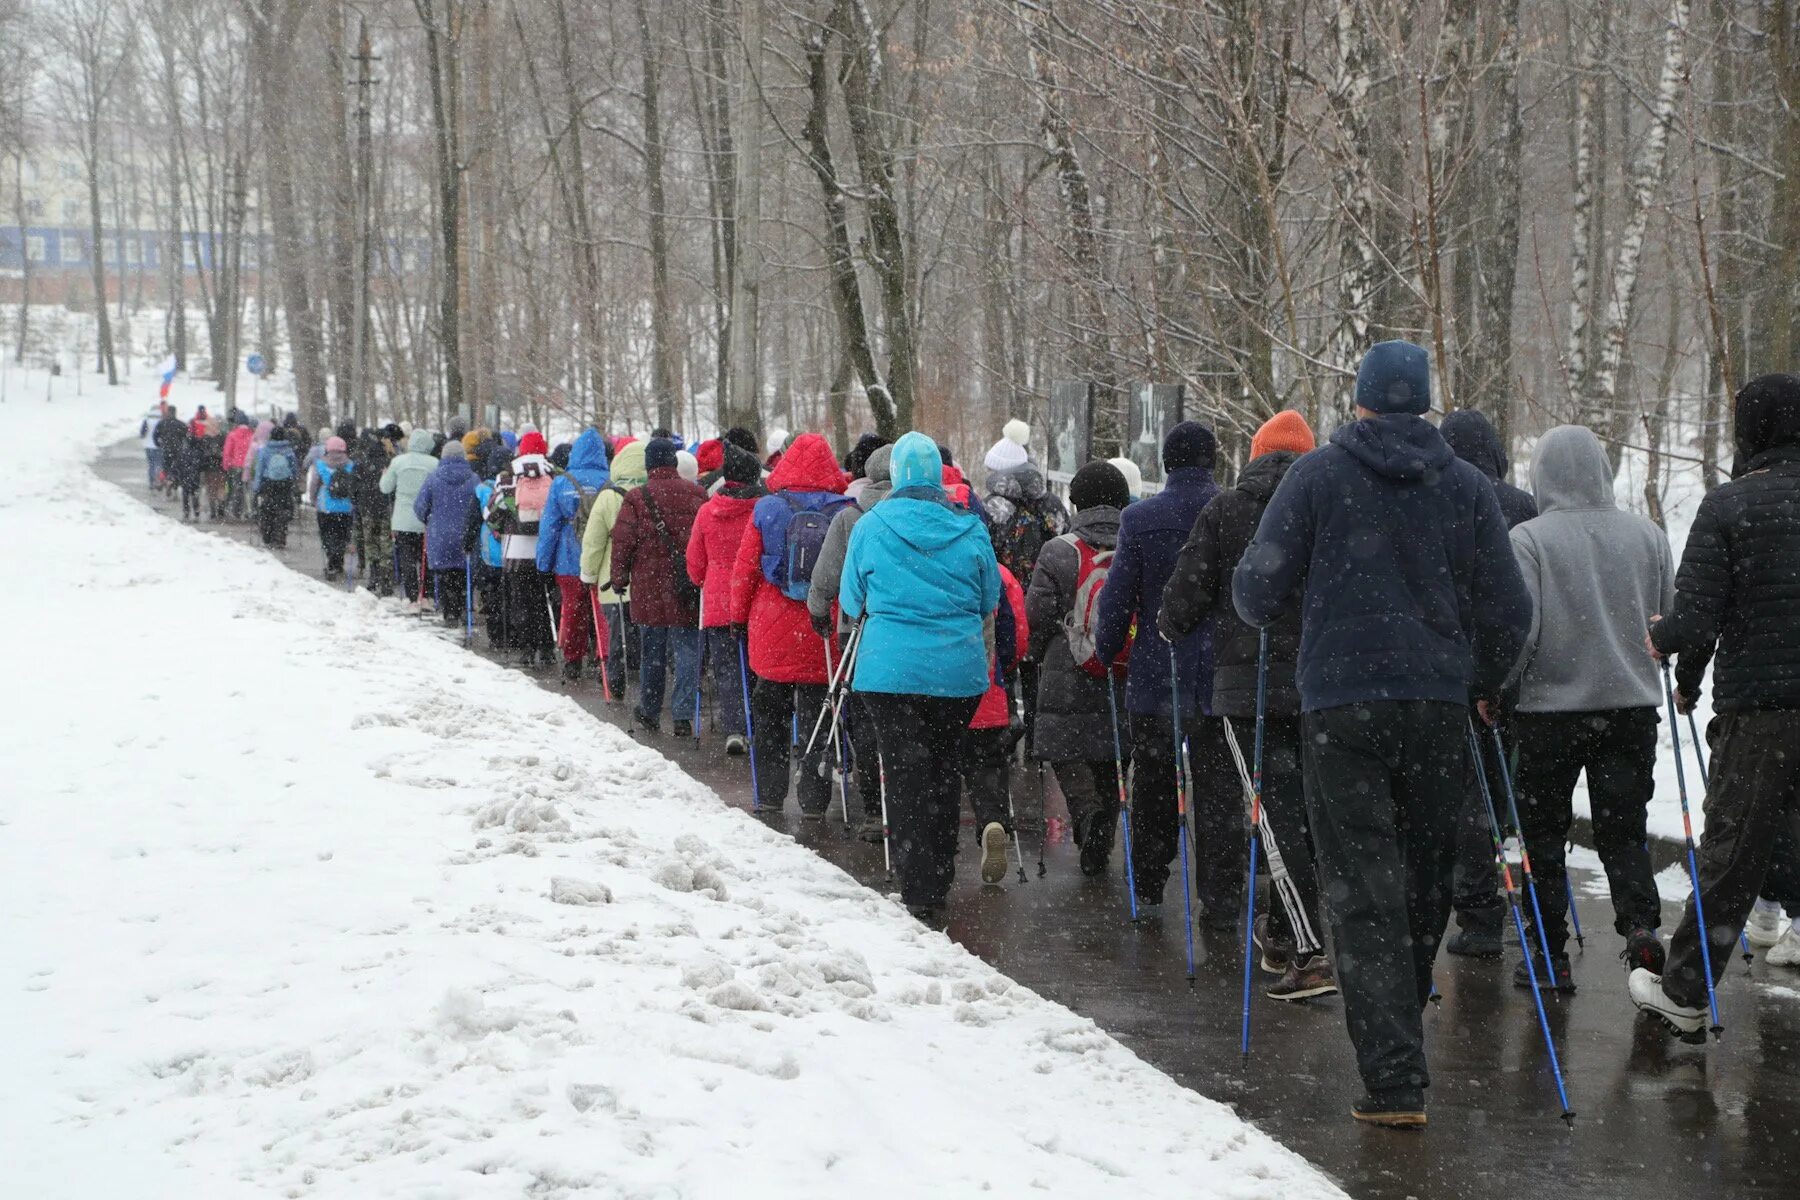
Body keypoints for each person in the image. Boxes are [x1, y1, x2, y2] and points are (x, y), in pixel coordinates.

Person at [1232, 340, 1531, 1128]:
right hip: (1436, 707)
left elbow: (1259, 588)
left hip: (1341, 704)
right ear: (1425, 402)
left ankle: (1394, 1077)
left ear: (1360, 399)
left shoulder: (1317, 478)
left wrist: (1268, 596)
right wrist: (1482, 679)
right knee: (1424, 875)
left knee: (1361, 886)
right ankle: (1400, 1017)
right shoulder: (1467, 489)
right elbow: (1511, 610)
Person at [1632, 373, 1800, 1036]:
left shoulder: (1731, 507)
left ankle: (1685, 992)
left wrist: (1669, 647)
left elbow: (1698, 618)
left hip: (1762, 712)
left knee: (1734, 854)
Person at [1159, 409, 1335, 1002]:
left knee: (1272, 810)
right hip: (1319, 682)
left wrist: (1169, 626)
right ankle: (1286, 931)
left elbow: (1187, 590)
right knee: (1303, 809)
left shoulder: (1227, 510)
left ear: (1255, 454)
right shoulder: (1327, 508)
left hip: (1246, 684)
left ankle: (1307, 951)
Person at [1500, 424, 1673, 991]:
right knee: (1625, 830)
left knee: (1542, 836)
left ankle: (1549, 955)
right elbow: (1663, 621)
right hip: (1630, 706)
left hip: (1550, 711)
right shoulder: (1647, 536)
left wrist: (1497, 689)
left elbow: (1520, 630)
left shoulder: (1529, 538)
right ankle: (1641, 927)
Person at [840, 432, 1001, 927]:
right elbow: (988, 598)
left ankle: (917, 888)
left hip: (888, 672)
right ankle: (939, 876)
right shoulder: (970, 530)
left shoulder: (870, 527)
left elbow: (850, 601)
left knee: (906, 775)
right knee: (944, 768)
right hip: (957, 673)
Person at [1094, 421, 1240, 925]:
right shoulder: (1235, 513)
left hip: (1158, 672)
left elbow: (1117, 598)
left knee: (1154, 780)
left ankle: (1150, 881)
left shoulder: (1140, 519)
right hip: (1220, 677)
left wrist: (1107, 647)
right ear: (1213, 461)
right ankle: (1221, 897)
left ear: (1167, 464)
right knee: (1220, 789)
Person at [1440, 407, 1540, 957]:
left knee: (1462, 791)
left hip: (1453, 667)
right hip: (1512, 665)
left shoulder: (1440, 496)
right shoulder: (1522, 505)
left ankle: (1477, 911)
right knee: (1500, 785)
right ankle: (1514, 893)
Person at [728, 432, 850, 814]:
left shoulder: (767, 508)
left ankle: (769, 794)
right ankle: (815, 800)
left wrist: (737, 616)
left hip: (771, 628)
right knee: (818, 720)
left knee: (770, 716)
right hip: (823, 628)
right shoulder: (844, 512)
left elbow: (745, 570)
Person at [1026, 460, 1130, 876]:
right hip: (1120, 667)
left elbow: (1037, 613)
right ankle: (1100, 837)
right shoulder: (1132, 545)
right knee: (1111, 755)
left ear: (1076, 501)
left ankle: (1087, 813)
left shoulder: (1058, 550)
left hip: (1066, 668)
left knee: (1066, 750)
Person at [806, 443, 894, 839]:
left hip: (858, 628)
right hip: (914, 631)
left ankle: (876, 809)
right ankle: (914, 807)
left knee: (865, 717)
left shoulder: (851, 518)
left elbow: (826, 575)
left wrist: (818, 609)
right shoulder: (936, 514)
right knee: (910, 722)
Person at [982, 418, 1069, 771]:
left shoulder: (991, 509)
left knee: (1003, 671)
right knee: (1037, 676)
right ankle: (1037, 743)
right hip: (1045, 601)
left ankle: (1003, 740)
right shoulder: (1050, 505)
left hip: (1004, 600)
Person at [612, 438, 708, 734]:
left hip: (649, 587)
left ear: (649, 464)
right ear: (674, 462)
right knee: (687, 651)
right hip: (686, 585)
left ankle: (650, 710)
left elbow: (623, 542)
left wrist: (619, 578)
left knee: (651, 652)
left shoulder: (637, 498)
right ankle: (682, 715)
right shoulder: (697, 494)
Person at [688, 441, 764, 754]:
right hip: (756, 600)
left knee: (727, 670)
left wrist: (702, 580)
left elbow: (694, 563)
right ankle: (759, 726)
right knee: (757, 668)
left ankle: (735, 729)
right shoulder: (762, 509)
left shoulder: (707, 512)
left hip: (719, 603)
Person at [963, 564, 1029, 885]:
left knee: (935, 771)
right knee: (987, 763)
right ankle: (992, 821)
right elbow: (1015, 631)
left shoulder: (917, 557)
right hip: (985, 687)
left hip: (932, 686)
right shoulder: (997, 572)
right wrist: (1003, 666)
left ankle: (934, 845)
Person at [537, 429, 611, 682]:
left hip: (568, 558)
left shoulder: (562, 482)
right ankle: (605, 660)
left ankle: (572, 660)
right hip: (602, 559)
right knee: (602, 612)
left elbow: (550, 526)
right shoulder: (610, 480)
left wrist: (543, 563)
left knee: (572, 610)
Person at [579, 438, 648, 695]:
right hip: (650, 581)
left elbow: (594, 540)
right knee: (647, 638)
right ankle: (647, 685)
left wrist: (588, 574)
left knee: (618, 636)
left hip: (614, 581)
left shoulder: (608, 497)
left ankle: (616, 681)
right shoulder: (653, 492)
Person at [487, 431, 557, 666]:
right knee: (544, 599)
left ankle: (527, 649)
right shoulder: (554, 474)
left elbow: (492, 514)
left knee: (521, 600)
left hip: (516, 551)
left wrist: (501, 527)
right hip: (546, 550)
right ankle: (547, 647)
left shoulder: (508, 478)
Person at [415, 439, 479, 625]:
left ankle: (449, 611)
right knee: (462, 574)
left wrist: (429, 519)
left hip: (440, 535)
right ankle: (461, 607)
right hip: (466, 536)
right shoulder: (474, 479)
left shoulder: (433, 478)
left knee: (444, 575)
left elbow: (420, 507)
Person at [380, 429, 439, 606]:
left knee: (406, 559)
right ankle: (426, 596)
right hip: (426, 519)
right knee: (426, 559)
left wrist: (384, 475)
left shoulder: (398, 462)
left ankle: (412, 598)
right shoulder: (434, 463)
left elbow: (385, 488)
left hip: (403, 519)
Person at [468, 441, 511, 643]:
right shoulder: (514, 487)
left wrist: (467, 543)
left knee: (491, 592)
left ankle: (496, 635)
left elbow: (472, 521)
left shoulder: (482, 489)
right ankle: (511, 631)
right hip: (511, 549)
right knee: (509, 592)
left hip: (488, 551)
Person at [349, 429, 393, 597]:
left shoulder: (361, 463)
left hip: (366, 508)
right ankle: (386, 580)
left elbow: (352, 486)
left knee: (370, 543)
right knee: (385, 544)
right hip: (384, 507)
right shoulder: (388, 463)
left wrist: (357, 501)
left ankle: (373, 576)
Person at [306, 435, 357, 579]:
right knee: (342, 535)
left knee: (327, 534)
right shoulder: (350, 464)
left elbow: (314, 484)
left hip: (326, 506)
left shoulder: (320, 464)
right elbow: (354, 485)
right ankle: (338, 560)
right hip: (346, 507)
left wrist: (313, 499)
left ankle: (332, 560)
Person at [252, 426, 300, 548]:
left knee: (267, 509)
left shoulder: (265, 450)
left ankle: (267, 535)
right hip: (285, 483)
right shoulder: (289, 450)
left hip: (268, 483)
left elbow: (259, 469)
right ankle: (279, 537)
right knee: (283, 510)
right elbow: (294, 469)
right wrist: (293, 482)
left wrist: (257, 487)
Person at [172, 413, 209, 522]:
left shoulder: (183, 446)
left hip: (185, 473)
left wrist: (175, 473)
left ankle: (186, 513)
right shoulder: (199, 445)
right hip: (194, 473)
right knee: (194, 494)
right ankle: (196, 513)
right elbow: (202, 462)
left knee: (185, 494)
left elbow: (178, 461)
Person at [221, 414, 253, 521]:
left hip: (236, 466)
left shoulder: (232, 435)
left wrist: (226, 465)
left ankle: (237, 511)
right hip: (249, 466)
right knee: (249, 488)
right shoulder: (252, 435)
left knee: (237, 488)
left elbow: (227, 452)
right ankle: (250, 510)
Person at [155, 406, 187, 500]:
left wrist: (158, 444)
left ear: (168, 412)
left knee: (165, 468)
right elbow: (188, 437)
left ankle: (164, 481)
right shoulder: (181, 424)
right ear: (175, 412)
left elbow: (155, 435)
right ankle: (174, 488)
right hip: (178, 450)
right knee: (176, 470)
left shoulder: (162, 423)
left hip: (166, 449)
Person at [139, 404, 165, 490]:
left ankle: (151, 482)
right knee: (159, 465)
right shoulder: (161, 421)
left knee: (151, 465)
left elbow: (142, 434)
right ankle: (158, 482)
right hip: (158, 446)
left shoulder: (147, 420)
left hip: (147, 446)